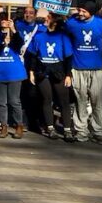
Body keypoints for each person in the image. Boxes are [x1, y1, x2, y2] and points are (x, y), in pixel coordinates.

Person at [64, 1, 102, 145]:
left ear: (91, 13)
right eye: (79, 10)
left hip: (97, 70)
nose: (80, 13)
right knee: (80, 101)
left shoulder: (101, 24)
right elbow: (64, 36)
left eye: (84, 11)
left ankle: (99, 132)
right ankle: (81, 131)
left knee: (99, 103)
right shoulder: (71, 23)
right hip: (77, 68)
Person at [26, 12, 75, 141]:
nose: (45, 20)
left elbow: (69, 57)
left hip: (59, 70)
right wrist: (31, 71)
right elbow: (33, 55)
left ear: (55, 22)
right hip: (42, 70)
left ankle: (67, 130)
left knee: (64, 101)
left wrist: (68, 75)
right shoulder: (39, 36)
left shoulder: (63, 36)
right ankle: (50, 128)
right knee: (47, 100)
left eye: (48, 18)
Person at [0, 11, 26, 139]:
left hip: (14, 73)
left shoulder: (15, 34)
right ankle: (3, 126)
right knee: (1, 102)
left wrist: (13, 30)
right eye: (2, 20)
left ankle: (19, 125)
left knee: (14, 101)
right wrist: (2, 42)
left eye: (7, 20)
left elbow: (21, 43)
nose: (4, 22)